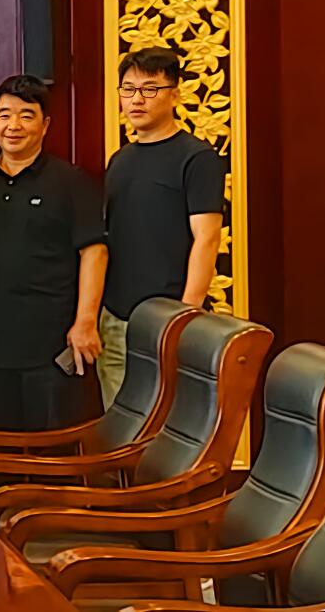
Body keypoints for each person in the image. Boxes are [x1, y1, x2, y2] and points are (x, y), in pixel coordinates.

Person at [0, 75, 105, 431]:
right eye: (5, 115)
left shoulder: (70, 181)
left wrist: (86, 322)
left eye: (26, 115)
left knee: (53, 449)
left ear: (45, 125)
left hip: (52, 345)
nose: (14, 125)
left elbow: (94, 252)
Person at [98, 47, 225, 405]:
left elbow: (207, 239)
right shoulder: (120, 159)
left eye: (150, 89)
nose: (137, 99)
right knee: (119, 424)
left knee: (168, 424)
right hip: (116, 318)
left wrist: (186, 314)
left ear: (175, 95)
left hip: (167, 318)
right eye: (128, 89)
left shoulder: (197, 158)